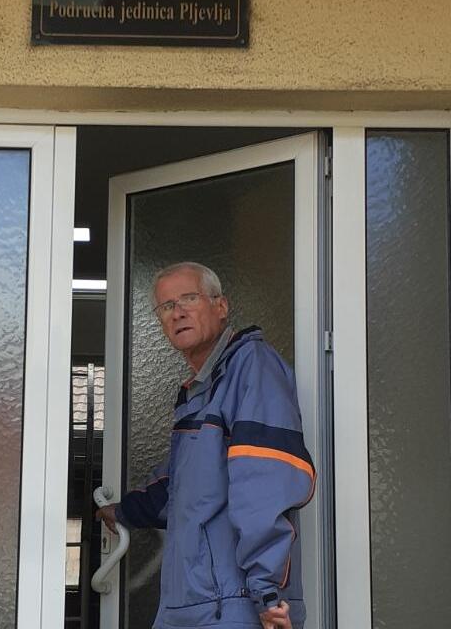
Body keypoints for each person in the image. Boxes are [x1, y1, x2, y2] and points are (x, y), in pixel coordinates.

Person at [96, 262, 315, 629]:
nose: (178, 312)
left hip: (234, 605)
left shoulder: (251, 368)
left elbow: (266, 480)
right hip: (191, 603)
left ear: (220, 306)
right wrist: (123, 512)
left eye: (189, 298)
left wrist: (266, 593)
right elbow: (181, 487)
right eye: (167, 306)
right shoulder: (202, 390)